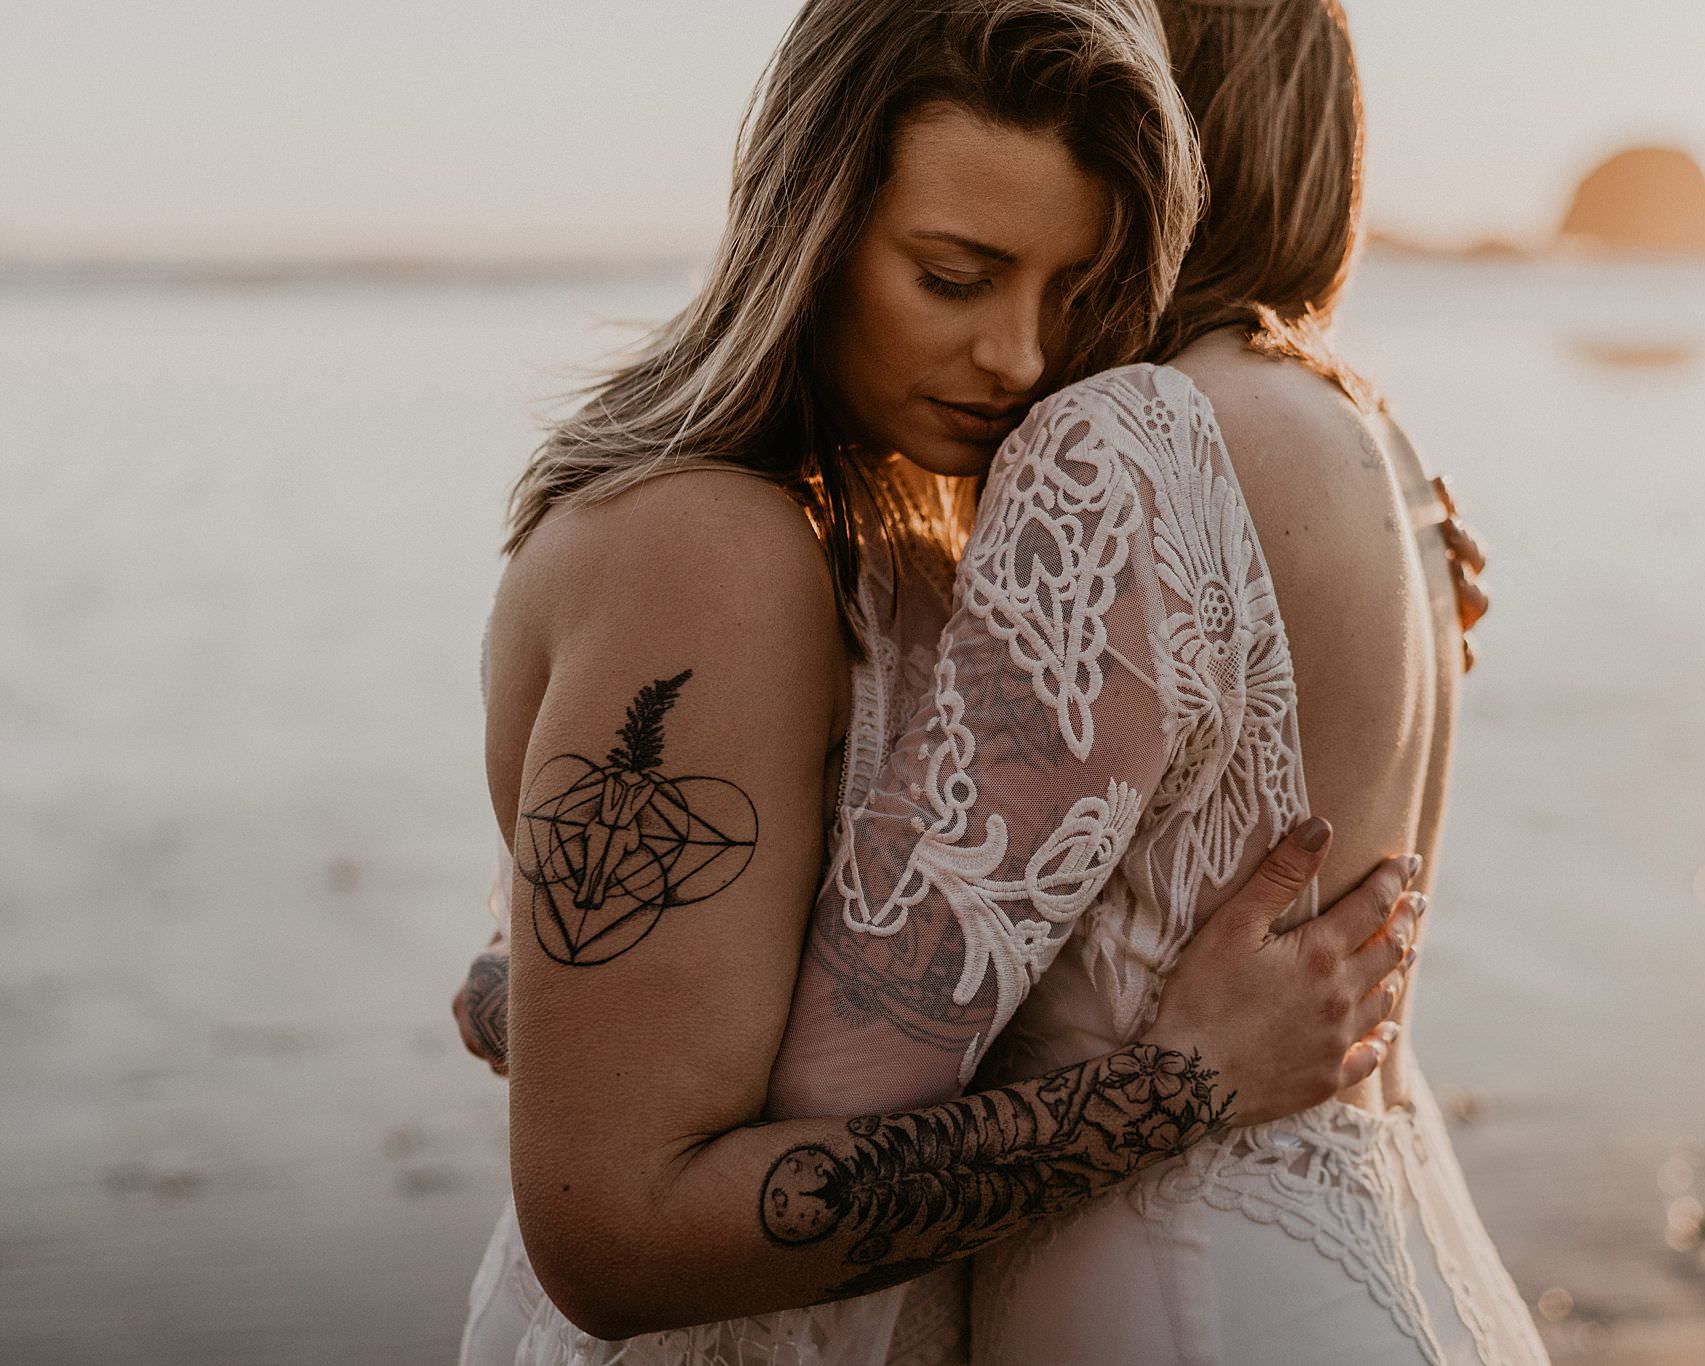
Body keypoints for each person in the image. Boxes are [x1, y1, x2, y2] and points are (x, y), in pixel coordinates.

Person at [455, 2, 1425, 1363]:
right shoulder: (704, 552)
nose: (1022, 358)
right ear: (812, 231)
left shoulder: (894, 532)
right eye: (955, 276)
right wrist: (1184, 1083)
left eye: (1071, 291)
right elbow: (612, 1232)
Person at [759, 0, 1549, 1361]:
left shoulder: (1123, 445)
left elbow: (842, 1087)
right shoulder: (1377, 442)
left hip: (1182, 1303)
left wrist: (576, 992)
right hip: (1397, 1263)